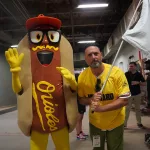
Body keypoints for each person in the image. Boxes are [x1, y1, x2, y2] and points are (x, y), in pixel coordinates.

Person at [5, 14, 78, 150]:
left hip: (60, 120)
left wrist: (73, 82)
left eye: (51, 36)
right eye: (38, 36)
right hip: (37, 123)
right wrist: (15, 71)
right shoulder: (28, 60)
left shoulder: (62, 56)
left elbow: (73, 90)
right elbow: (19, 90)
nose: (45, 41)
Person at [77, 46, 130, 150]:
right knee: (97, 148)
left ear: (101, 55)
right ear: (86, 59)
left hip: (116, 121)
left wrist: (101, 109)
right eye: (90, 55)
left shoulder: (116, 72)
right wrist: (90, 99)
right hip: (95, 123)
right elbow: (81, 99)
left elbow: (124, 100)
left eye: (96, 54)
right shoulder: (82, 77)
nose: (94, 57)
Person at [124, 62, 146, 129]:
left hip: (137, 94)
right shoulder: (126, 74)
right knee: (127, 109)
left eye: (132, 66)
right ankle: (124, 124)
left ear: (135, 67)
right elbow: (122, 82)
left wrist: (138, 82)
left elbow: (144, 83)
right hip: (129, 94)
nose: (130, 67)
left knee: (137, 109)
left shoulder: (139, 74)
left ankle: (139, 123)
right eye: (129, 66)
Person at [75, 73, 88, 140]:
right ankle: (78, 134)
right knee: (78, 119)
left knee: (81, 118)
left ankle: (80, 132)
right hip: (78, 103)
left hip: (82, 103)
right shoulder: (75, 86)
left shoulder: (81, 86)